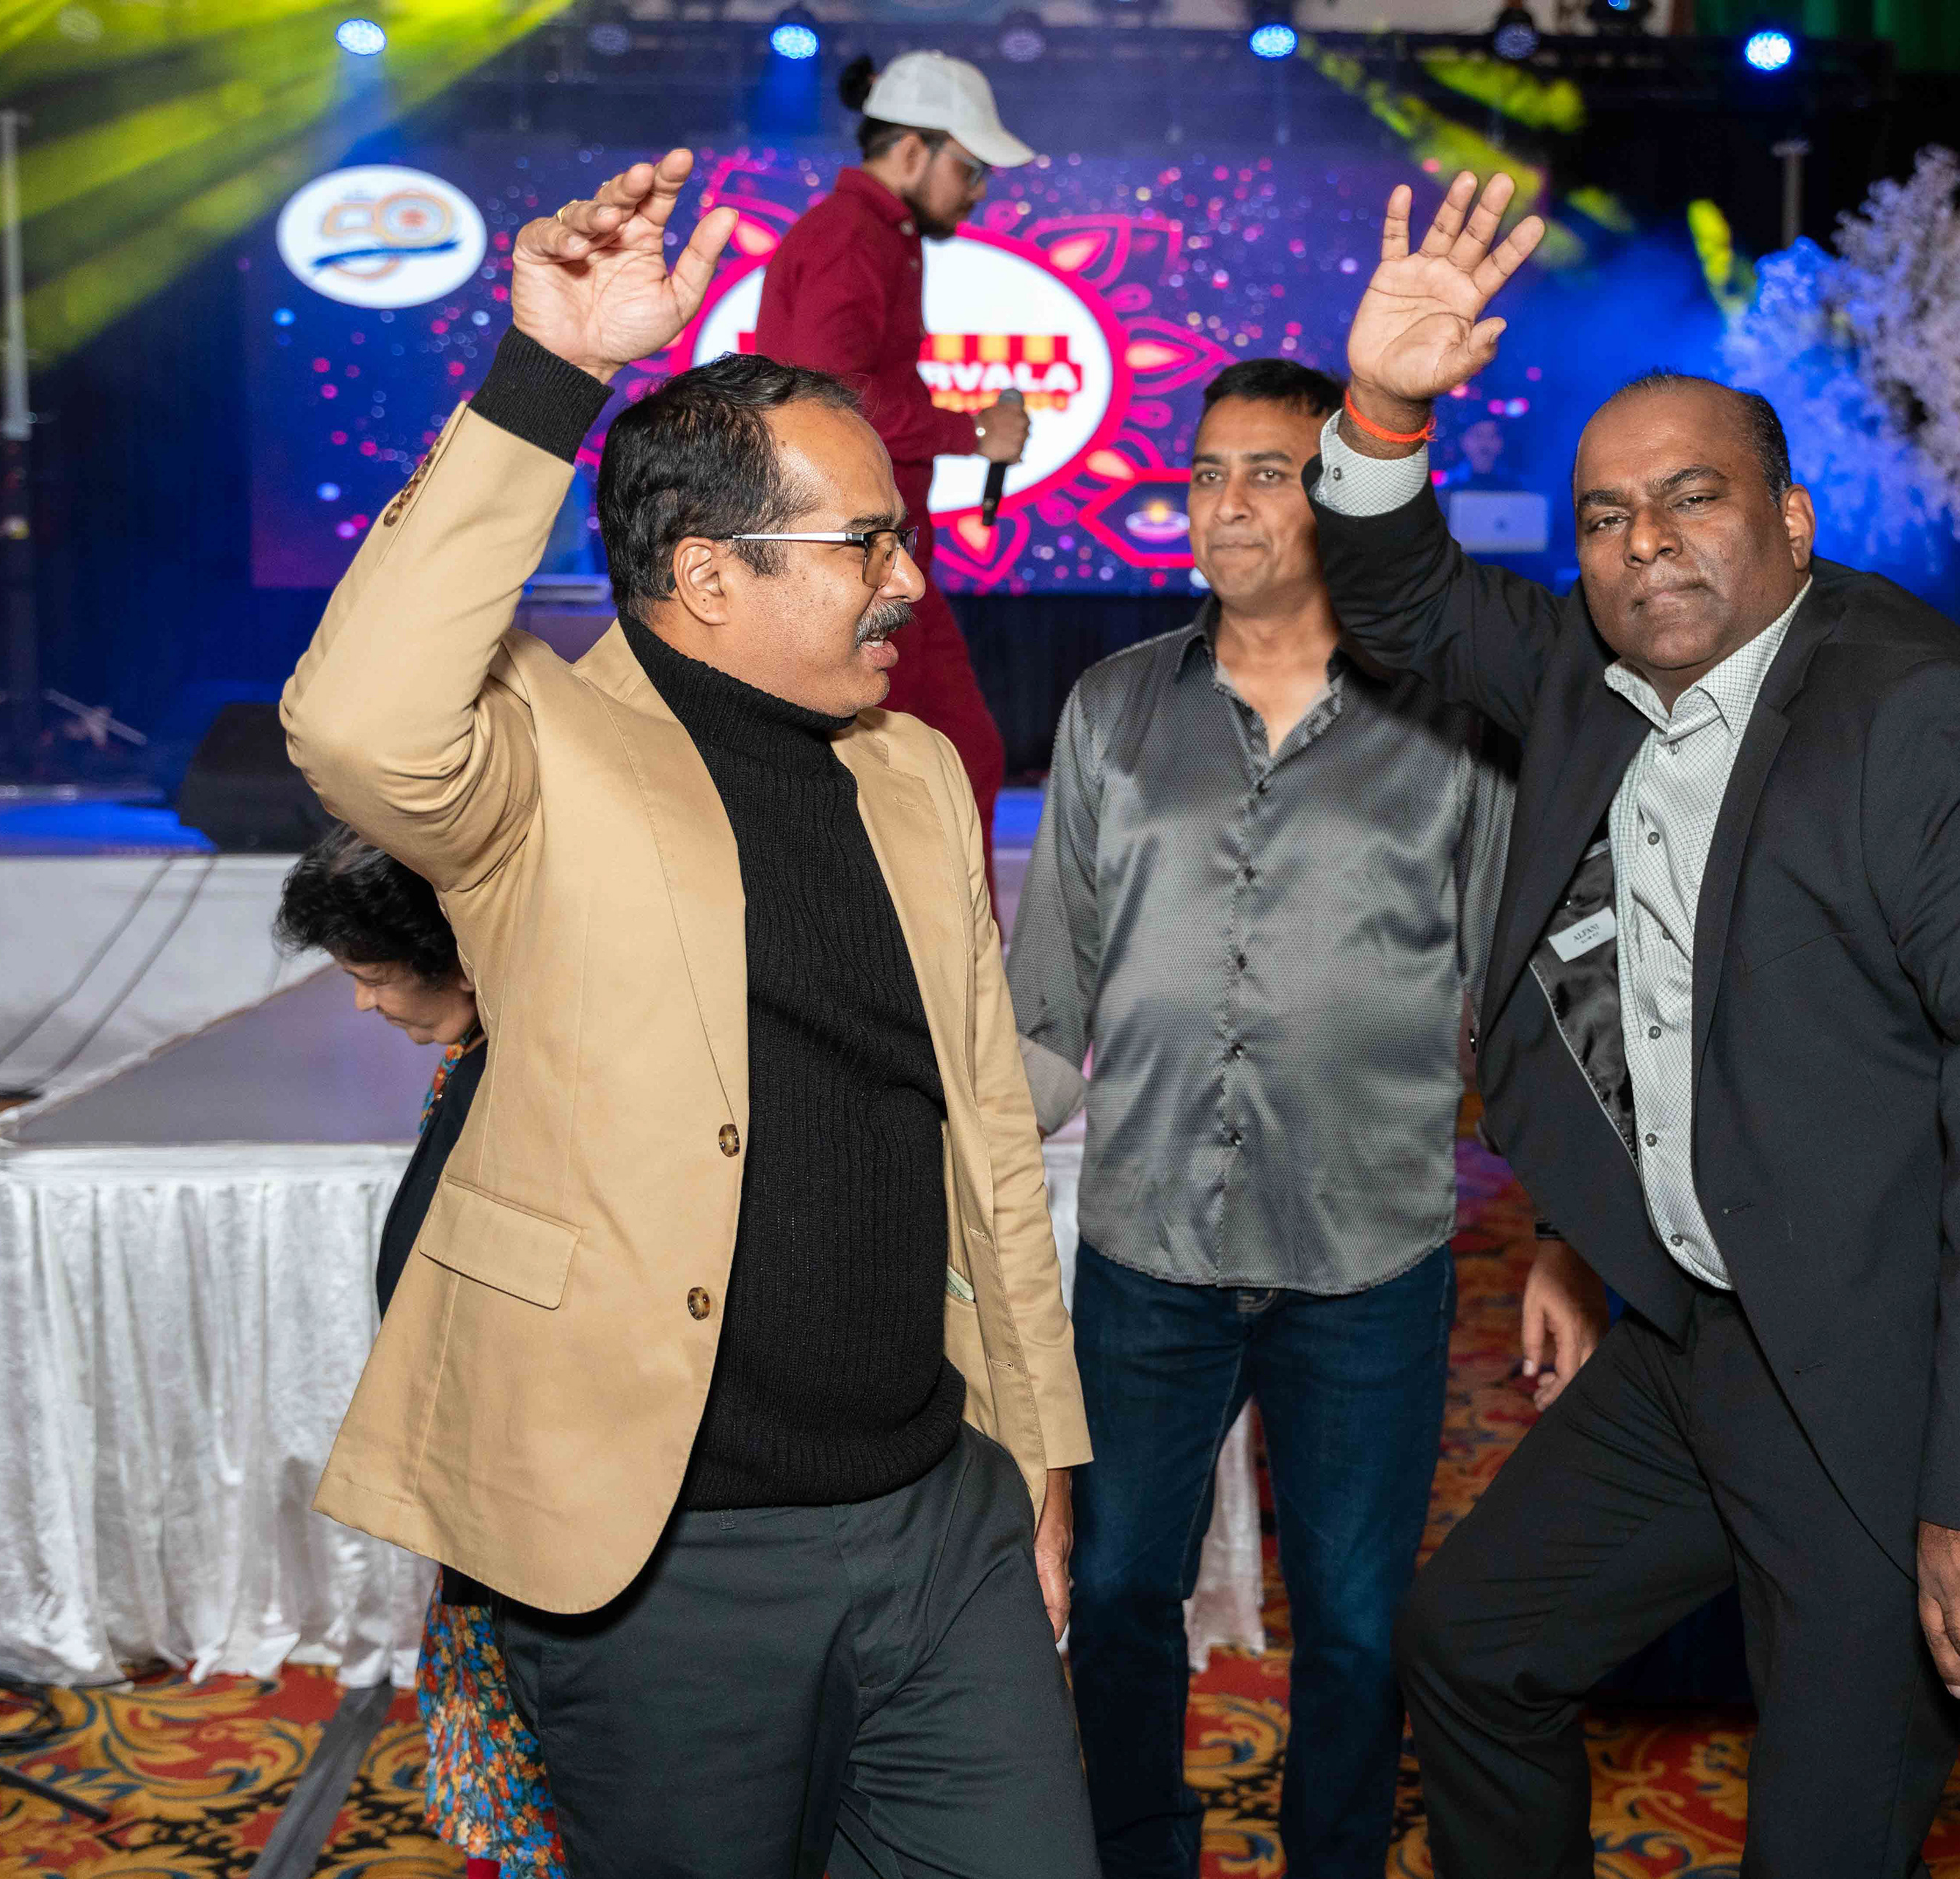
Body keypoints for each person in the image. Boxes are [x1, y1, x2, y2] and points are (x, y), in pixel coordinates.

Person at [1311, 171, 1960, 1876]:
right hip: (1698, 1333)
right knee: (1472, 1646)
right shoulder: (1588, 676)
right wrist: (1384, 408)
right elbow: (1403, 604)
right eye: (1605, 515)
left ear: (1792, 514)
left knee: (1822, 1836)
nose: (1644, 540)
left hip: (1888, 1373)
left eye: (1690, 497)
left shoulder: (1921, 723)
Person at [280, 150, 1095, 1878]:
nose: (908, 577)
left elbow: (986, 1142)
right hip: (664, 1555)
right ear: (709, 575)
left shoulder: (912, 773)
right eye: (865, 541)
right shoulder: (538, 754)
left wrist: (1035, 1454)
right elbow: (356, 721)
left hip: (937, 1512)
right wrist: (550, 372)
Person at [1006, 357, 1516, 1879]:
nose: (1226, 503)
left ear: (1349, 501)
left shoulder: (1456, 725)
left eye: (1271, 473)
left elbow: (1516, 1005)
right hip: (1146, 1247)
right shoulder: (1113, 708)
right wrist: (932, 1167)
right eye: (1207, 471)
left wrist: (1566, 1224)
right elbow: (1045, 1009)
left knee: (1357, 1625)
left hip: (1368, 1256)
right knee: (1116, 1597)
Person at [275, 830, 561, 1879]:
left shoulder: (537, 1077)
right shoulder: (479, 1056)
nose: (361, 1002)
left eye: (374, 973)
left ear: (458, 954)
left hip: (542, 1506)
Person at [741, 50, 1034, 873]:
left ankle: (947, 940)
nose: (978, 191)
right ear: (912, 150)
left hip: (884, 556)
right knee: (904, 773)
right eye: (970, 169)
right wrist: (973, 432)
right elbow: (827, 397)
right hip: (851, 562)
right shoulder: (851, 236)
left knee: (956, 757)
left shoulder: (879, 236)